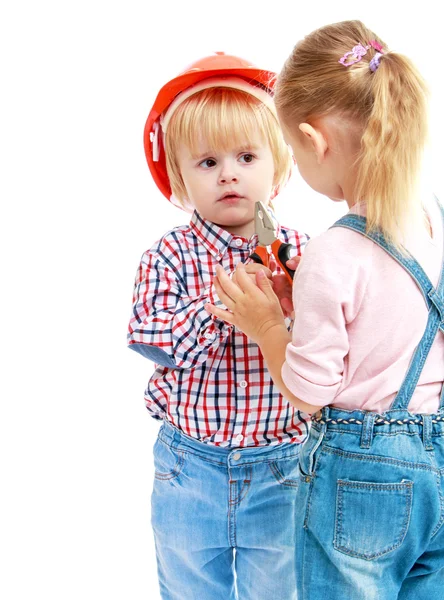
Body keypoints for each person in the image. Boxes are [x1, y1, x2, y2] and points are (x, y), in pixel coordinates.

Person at [205, 21, 444, 599]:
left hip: (361, 480)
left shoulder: (335, 250)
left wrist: (265, 325)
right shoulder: (431, 217)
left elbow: (310, 392)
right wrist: (301, 302)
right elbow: (393, 323)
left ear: (314, 141)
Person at [127, 52, 310, 600]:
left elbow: (329, 351)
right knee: (188, 588)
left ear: (277, 167)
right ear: (178, 178)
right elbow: (151, 337)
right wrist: (218, 299)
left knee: (280, 588)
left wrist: (291, 304)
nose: (228, 172)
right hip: (189, 466)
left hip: (284, 464)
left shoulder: (303, 253)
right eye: (207, 162)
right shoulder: (169, 255)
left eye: (246, 156)